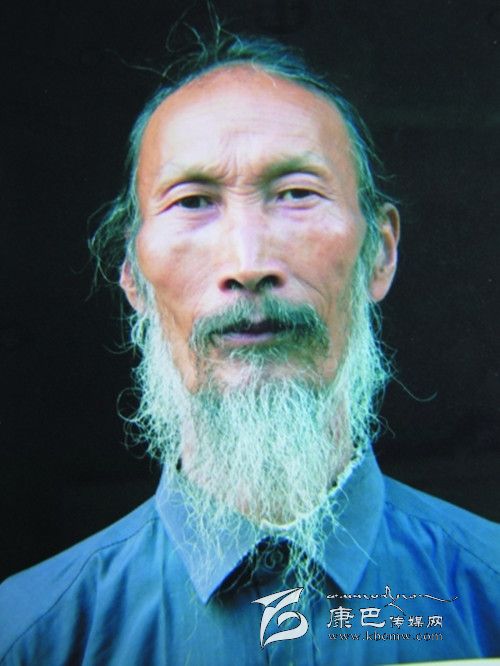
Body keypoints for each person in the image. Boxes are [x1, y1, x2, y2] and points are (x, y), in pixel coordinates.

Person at [1, 31, 498, 666]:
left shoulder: (485, 598)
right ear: (132, 275)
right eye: (193, 202)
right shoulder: (30, 637)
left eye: (296, 194)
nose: (248, 263)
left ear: (379, 253)